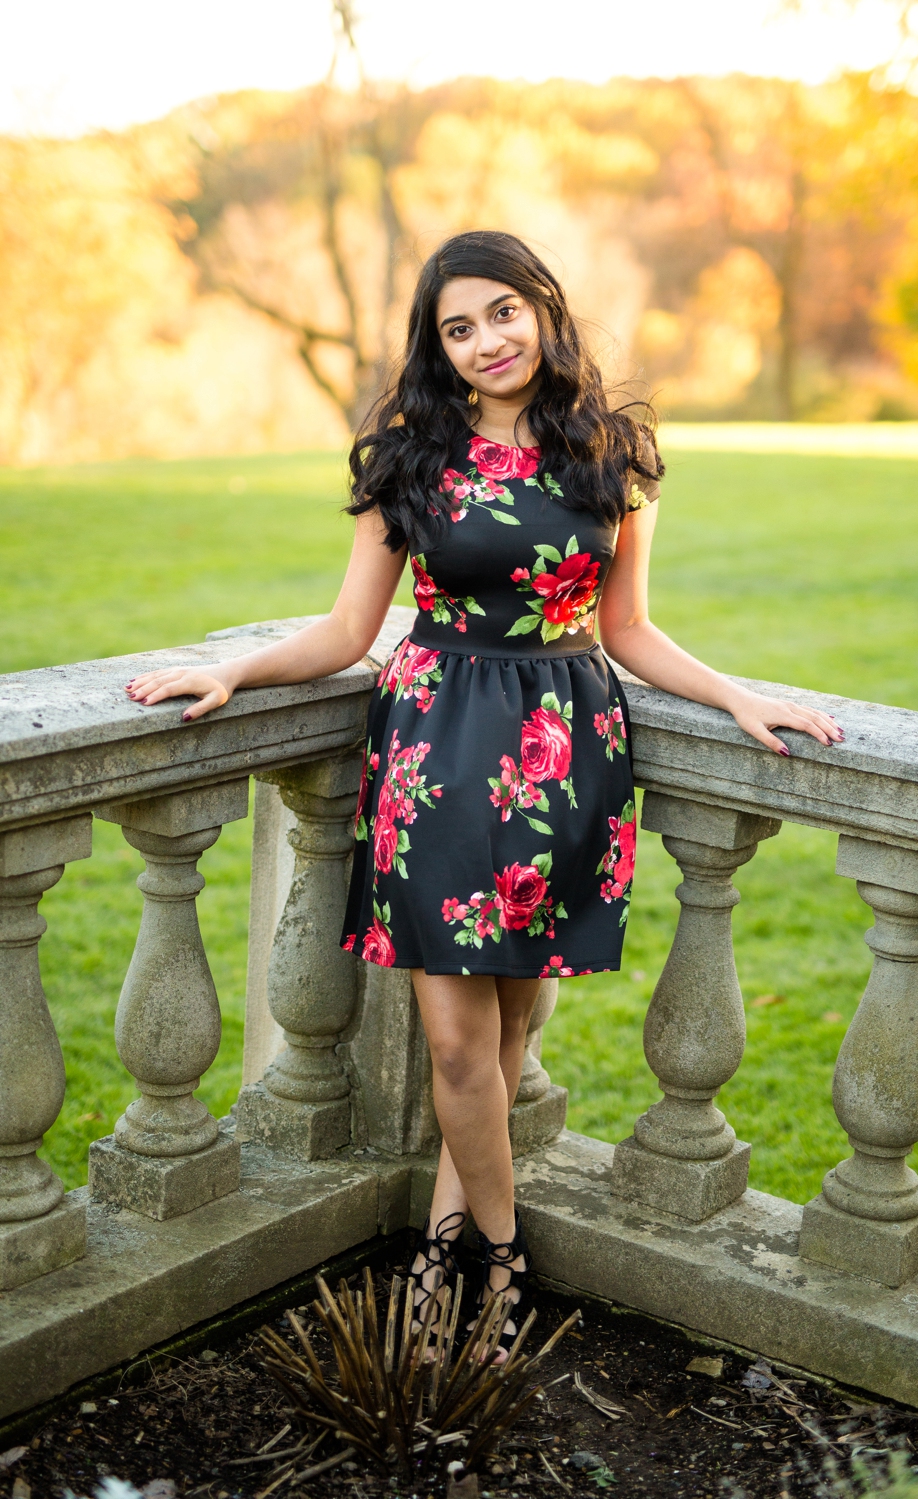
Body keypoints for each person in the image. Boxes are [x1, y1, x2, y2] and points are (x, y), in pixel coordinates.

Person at [124, 229, 843, 1356]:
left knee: (509, 1020)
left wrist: (738, 695)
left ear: (544, 308)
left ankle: (440, 1230)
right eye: (458, 328)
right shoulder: (409, 457)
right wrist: (230, 668)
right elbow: (347, 630)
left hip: (567, 744)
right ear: (438, 347)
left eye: (501, 312)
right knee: (459, 1038)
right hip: (437, 747)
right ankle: (497, 1255)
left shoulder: (614, 451)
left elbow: (631, 628)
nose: (485, 342)